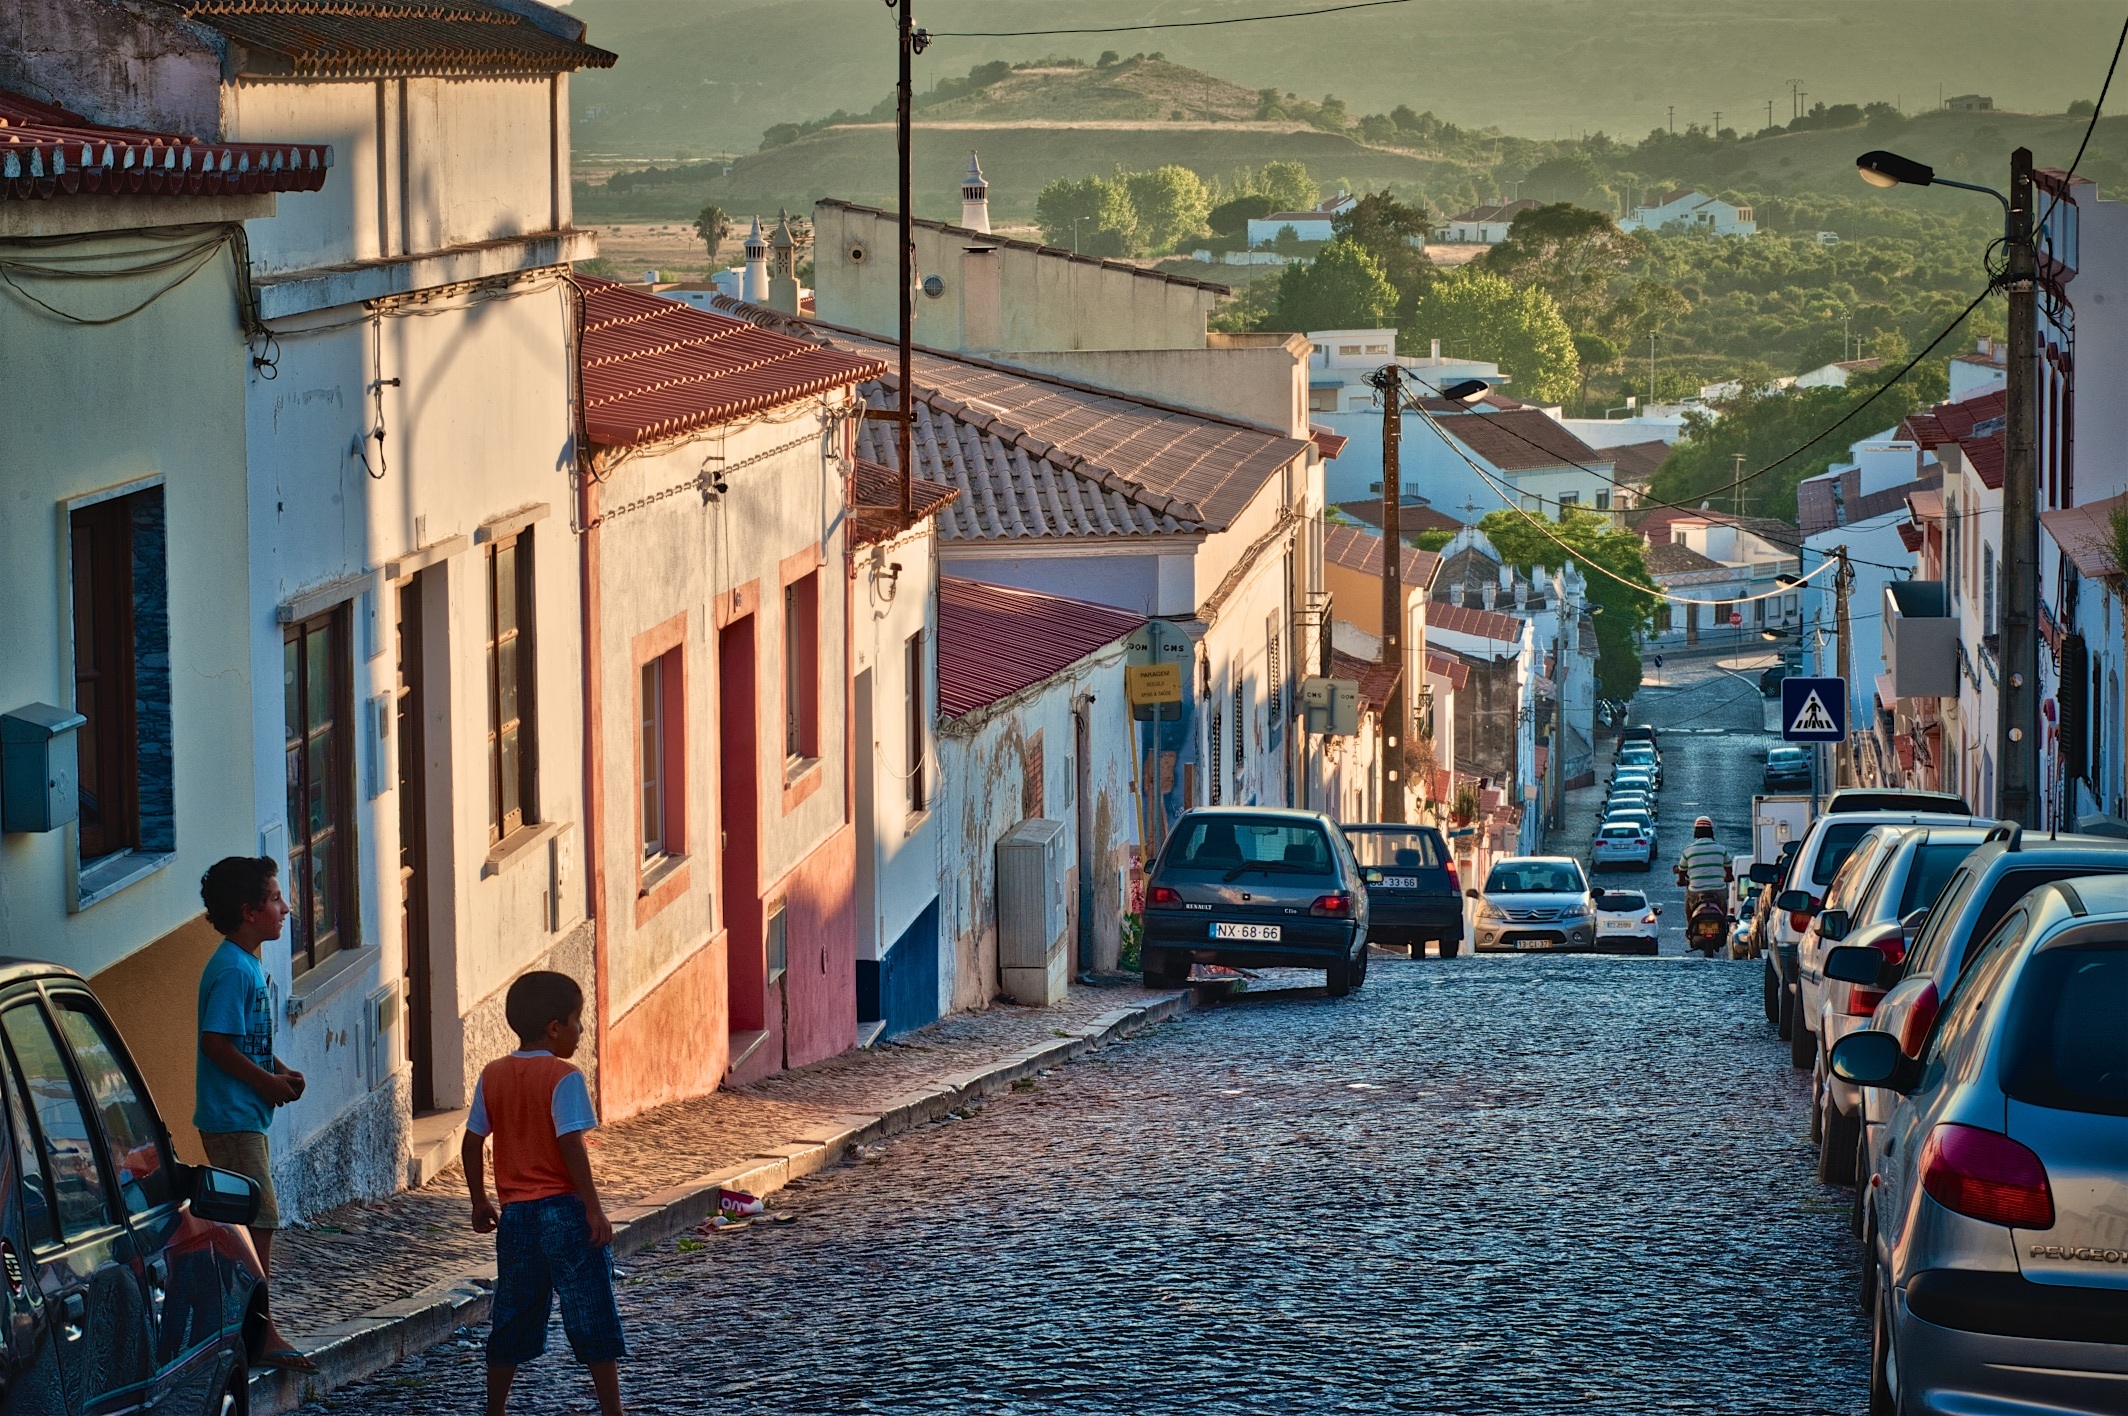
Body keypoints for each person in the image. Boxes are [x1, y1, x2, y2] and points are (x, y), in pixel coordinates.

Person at [464, 972, 625, 1416]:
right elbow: (570, 1145)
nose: (581, 1030)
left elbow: (472, 1140)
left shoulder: (493, 1074)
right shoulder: (564, 1076)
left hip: (516, 1218)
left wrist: (480, 1199)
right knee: (591, 1306)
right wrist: (594, 1209)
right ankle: (613, 1410)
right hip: (563, 1212)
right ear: (554, 1027)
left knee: (513, 1312)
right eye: (577, 1021)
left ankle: (495, 1409)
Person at [195, 855, 313, 1371]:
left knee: (251, 1220)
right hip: (234, 1118)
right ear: (248, 911)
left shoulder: (246, 964)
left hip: (246, 1116)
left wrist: (279, 1070)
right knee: (257, 1219)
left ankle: (247, 1327)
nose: (285, 908)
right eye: (274, 899)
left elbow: (247, 1040)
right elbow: (216, 1043)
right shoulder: (230, 970)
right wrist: (266, 1082)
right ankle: (258, 1332)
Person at [1675, 816, 1732, 919]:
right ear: (1711, 831)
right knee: (1723, 905)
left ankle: (1690, 926)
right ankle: (1724, 924)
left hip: (1696, 890)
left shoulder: (1688, 850)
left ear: (1696, 832)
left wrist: (1681, 881)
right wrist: (1728, 877)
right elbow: (1728, 868)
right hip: (1718, 889)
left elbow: (1682, 871)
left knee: (1689, 903)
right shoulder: (1721, 849)